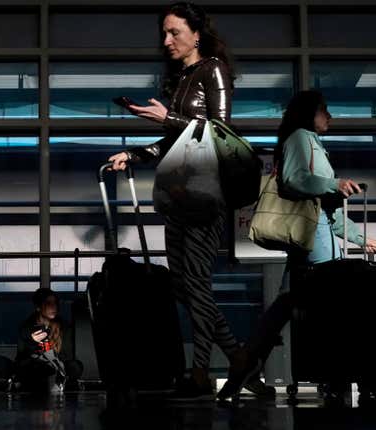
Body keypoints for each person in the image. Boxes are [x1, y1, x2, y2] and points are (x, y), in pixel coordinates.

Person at [108, 2, 273, 400]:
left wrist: (167, 119)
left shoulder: (211, 68)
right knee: (185, 286)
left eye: (174, 32)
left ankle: (202, 370)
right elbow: (174, 141)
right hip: (179, 195)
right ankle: (238, 357)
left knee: (196, 284)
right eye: (163, 34)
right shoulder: (180, 78)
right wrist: (135, 154)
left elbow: (220, 130)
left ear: (196, 34)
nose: (166, 41)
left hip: (205, 194)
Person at [216, 90, 376, 400]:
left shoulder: (310, 142)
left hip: (310, 234)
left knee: (284, 305)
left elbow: (323, 207)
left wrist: (359, 237)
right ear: (310, 114)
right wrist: (334, 183)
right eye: (325, 110)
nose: (330, 117)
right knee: (343, 306)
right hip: (312, 238)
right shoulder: (301, 137)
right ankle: (366, 374)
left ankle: (245, 366)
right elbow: (294, 180)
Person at [0, 288, 84, 393]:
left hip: (55, 368)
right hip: (32, 367)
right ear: (38, 307)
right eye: (48, 303)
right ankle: (18, 381)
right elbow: (21, 357)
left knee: (75, 366)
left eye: (55, 303)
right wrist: (33, 342)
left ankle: (60, 382)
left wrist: (51, 357)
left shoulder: (64, 327)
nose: (54, 307)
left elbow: (67, 356)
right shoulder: (27, 327)